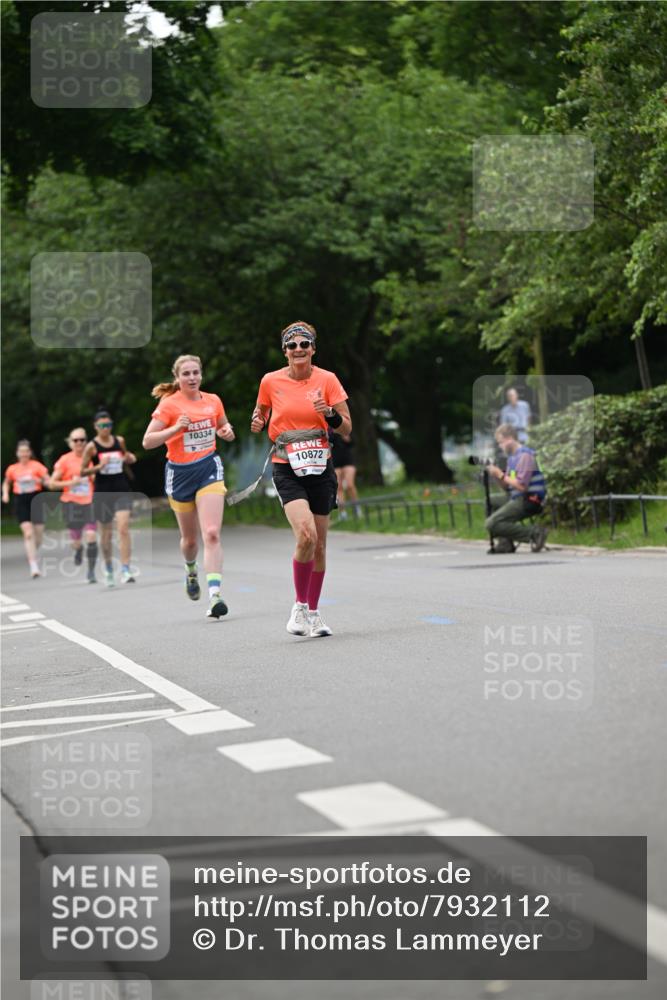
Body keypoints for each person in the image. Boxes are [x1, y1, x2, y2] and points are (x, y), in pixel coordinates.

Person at [251, 321, 351, 637]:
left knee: (320, 545)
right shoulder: (270, 381)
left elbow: (346, 428)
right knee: (305, 535)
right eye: (292, 346)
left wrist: (329, 414)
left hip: (321, 466)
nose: (298, 350)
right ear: (285, 351)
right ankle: (299, 607)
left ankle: (314, 613)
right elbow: (260, 414)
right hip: (287, 466)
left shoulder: (328, 380)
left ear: (313, 349)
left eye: (304, 344)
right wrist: (256, 422)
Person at [142, 354, 235, 619]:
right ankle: (190, 568)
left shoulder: (213, 400)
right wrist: (174, 430)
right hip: (180, 474)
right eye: (186, 374)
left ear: (201, 375)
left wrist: (226, 431)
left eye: (196, 373)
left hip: (208, 468)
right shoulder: (169, 405)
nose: (192, 378)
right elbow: (148, 442)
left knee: (213, 533)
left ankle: (215, 594)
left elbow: (223, 425)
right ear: (178, 378)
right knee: (190, 540)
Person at [80, 411, 137, 587]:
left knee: (123, 528)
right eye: (102, 426)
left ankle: (126, 569)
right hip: (103, 491)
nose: (106, 429)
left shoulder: (119, 441)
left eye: (109, 425)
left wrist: (130, 457)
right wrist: (98, 466)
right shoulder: (91, 446)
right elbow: (82, 471)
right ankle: (109, 567)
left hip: (121, 489)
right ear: (96, 427)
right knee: (106, 533)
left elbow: (127, 458)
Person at [486, 424, 548, 553]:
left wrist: (500, 474)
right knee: (490, 500)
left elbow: (521, 486)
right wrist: (496, 475)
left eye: (501, 442)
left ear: (510, 439)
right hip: (517, 497)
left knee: (491, 524)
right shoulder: (512, 459)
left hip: (530, 499)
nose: (500, 446)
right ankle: (505, 542)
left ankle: (534, 533)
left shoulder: (525, 456)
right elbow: (508, 486)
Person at [50, 427, 98, 583]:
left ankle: (91, 571)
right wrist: (72, 482)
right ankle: (78, 549)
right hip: (70, 502)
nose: (79, 443)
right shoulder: (64, 460)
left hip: (89, 501)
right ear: (70, 443)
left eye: (82, 440)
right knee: (76, 540)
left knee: (91, 535)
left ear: (86, 442)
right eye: (75, 440)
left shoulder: (92, 457)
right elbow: (52, 484)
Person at [2, 440, 50, 578]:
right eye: (21, 451)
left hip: (35, 499)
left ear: (30, 453)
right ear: (17, 453)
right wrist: (5, 494)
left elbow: (49, 481)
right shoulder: (12, 469)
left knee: (38, 535)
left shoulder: (37, 466)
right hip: (21, 500)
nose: (23, 454)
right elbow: (6, 483)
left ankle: (34, 552)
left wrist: (39, 481)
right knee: (28, 533)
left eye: (26, 451)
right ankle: (33, 565)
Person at [330, 430, 360, 517]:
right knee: (339, 487)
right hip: (335, 462)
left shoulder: (345, 428)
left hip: (348, 461)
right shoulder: (329, 430)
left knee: (350, 485)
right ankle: (342, 512)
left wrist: (345, 436)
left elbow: (352, 443)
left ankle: (357, 507)